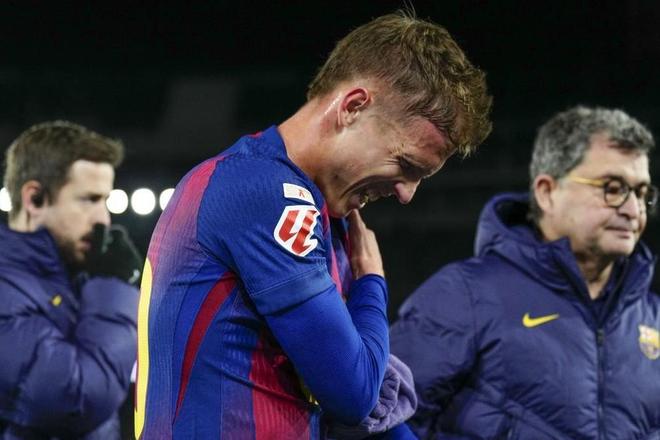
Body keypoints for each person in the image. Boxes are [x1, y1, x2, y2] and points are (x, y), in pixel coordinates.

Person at [135, 10, 492, 439]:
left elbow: (367, 399)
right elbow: (355, 393)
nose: (406, 194)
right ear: (353, 107)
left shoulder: (323, 215)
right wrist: (372, 283)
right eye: (405, 164)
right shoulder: (264, 191)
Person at [390, 106, 660, 439]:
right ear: (547, 192)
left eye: (642, 193)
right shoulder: (464, 295)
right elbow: (385, 420)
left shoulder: (653, 318)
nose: (633, 210)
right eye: (613, 188)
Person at [0, 121, 143, 439]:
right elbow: (75, 400)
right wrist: (115, 286)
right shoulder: (6, 289)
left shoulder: (75, 280)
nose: (103, 219)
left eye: (105, 201)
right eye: (89, 199)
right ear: (34, 199)